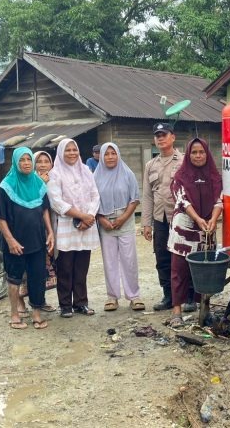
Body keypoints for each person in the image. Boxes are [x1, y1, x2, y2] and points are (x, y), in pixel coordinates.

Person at [0, 147, 55, 330]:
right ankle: (14, 315)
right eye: (22, 160)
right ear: (15, 162)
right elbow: (0, 217)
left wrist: (50, 232)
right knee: (14, 279)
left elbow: (44, 210)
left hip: (37, 240)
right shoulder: (6, 186)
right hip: (15, 243)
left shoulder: (38, 183)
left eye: (29, 159)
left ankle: (36, 314)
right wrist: (10, 240)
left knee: (37, 277)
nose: (27, 163)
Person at [166, 138, 223, 327]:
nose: (198, 156)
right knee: (179, 270)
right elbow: (182, 201)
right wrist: (198, 219)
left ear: (207, 154)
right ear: (188, 155)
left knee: (205, 270)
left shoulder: (215, 176)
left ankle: (204, 311)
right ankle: (176, 312)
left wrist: (213, 219)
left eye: (202, 152)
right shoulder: (181, 176)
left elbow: (219, 200)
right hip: (184, 228)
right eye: (194, 152)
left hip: (207, 228)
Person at [48, 139, 100, 318]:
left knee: (81, 268)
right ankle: (65, 305)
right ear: (61, 153)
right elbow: (56, 202)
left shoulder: (86, 170)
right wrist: (81, 215)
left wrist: (90, 215)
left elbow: (95, 195)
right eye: (67, 150)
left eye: (74, 150)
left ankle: (81, 303)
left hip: (86, 225)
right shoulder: (55, 173)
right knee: (65, 267)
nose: (72, 153)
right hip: (66, 226)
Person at [94, 142, 144, 311]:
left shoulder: (127, 173)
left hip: (125, 220)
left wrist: (123, 218)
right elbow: (92, 201)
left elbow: (134, 199)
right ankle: (112, 297)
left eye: (113, 153)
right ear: (101, 156)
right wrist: (101, 219)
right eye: (106, 154)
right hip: (105, 222)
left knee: (129, 260)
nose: (110, 157)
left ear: (118, 154)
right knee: (109, 261)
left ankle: (134, 296)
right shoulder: (96, 176)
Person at [141, 123, 185, 311]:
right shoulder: (151, 165)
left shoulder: (184, 162)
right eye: (157, 135)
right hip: (160, 219)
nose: (160, 138)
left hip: (181, 218)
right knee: (162, 259)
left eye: (164, 135)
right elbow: (147, 195)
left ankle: (188, 296)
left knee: (183, 256)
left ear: (173, 137)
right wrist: (146, 223)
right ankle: (168, 296)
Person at [16, 150, 57, 316]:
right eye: (38, 161)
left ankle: (40, 300)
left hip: (47, 227)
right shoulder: (26, 180)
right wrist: (41, 182)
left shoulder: (56, 178)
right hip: (25, 228)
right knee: (24, 266)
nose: (42, 164)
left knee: (43, 267)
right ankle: (19, 300)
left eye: (46, 161)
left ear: (51, 164)